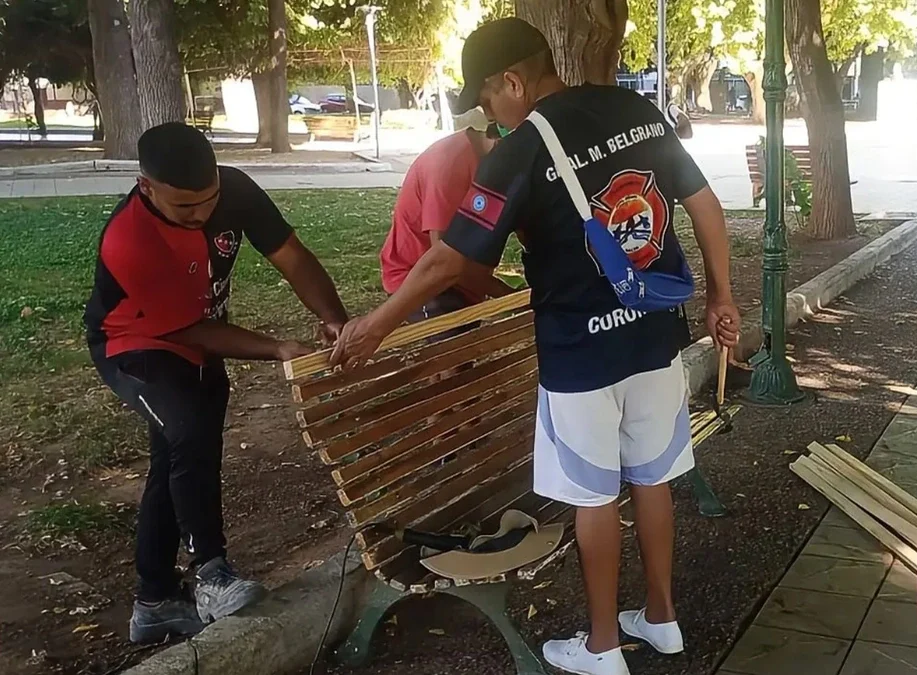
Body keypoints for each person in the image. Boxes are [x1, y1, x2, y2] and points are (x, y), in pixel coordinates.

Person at [331, 18, 740, 675]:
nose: (488, 113)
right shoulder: (633, 108)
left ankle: (603, 646)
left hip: (579, 354)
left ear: (512, 82)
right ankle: (660, 618)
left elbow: (447, 261)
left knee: (593, 495)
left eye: (487, 99)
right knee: (653, 478)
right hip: (655, 330)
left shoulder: (519, 150)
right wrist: (721, 295)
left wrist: (377, 324)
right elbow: (704, 204)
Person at [83, 123, 348, 645]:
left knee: (177, 454)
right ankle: (211, 574)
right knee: (187, 434)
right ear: (146, 186)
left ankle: (154, 601)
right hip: (135, 343)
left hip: (198, 337)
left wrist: (334, 318)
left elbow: (291, 255)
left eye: (209, 201)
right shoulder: (129, 238)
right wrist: (276, 347)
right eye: (186, 208)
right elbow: (185, 327)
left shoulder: (236, 189)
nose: (202, 214)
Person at [380, 115, 515, 337]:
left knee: (462, 354)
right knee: (453, 357)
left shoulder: (494, 163)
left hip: (461, 278)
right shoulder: (450, 163)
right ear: (501, 144)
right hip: (420, 277)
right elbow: (441, 264)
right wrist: (508, 295)